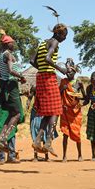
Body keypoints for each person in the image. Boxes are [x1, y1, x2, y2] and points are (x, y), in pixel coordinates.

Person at [30, 23, 68, 156]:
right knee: (57, 109)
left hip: (40, 77)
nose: (64, 39)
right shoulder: (55, 42)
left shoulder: (42, 43)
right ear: (59, 34)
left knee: (47, 112)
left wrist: (41, 68)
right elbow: (47, 58)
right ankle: (48, 142)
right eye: (64, 35)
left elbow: (31, 60)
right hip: (48, 78)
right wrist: (61, 69)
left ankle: (38, 140)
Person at [0, 31, 27, 158]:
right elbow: (11, 70)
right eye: (12, 43)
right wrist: (22, 77)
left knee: (13, 114)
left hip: (4, 85)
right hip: (11, 85)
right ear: (8, 44)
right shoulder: (8, 54)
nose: (14, 45)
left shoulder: (0, 55)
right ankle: (2, 139)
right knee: (17, 114)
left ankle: (1, 138)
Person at [59, 60, 85, 162]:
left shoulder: (79, 83)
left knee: (77, 133)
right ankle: (64, 156)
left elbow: (84, 97)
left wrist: (77, 98)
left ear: (74, 72)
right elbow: (57, 94)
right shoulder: (63, 82)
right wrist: (62, 89)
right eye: (67, 72)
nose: (68, 73)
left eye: (70, 72)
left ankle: (80, 155)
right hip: (65, 111)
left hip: (75, 112)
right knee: (65, 134)